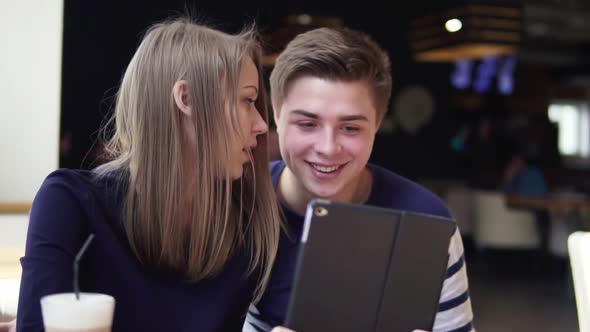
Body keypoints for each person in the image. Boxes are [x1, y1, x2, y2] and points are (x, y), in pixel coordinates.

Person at [16, 17, 283, 332]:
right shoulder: (70, 203)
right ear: (187, 98)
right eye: (247, 101)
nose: (262, 125)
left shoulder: (247, 226)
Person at [245, 27, 475, 332]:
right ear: (276, 115)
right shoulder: (241, 207)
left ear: (377, 123)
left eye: (350, 128)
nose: (328, 148)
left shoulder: (427, 220)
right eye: (307, 123)